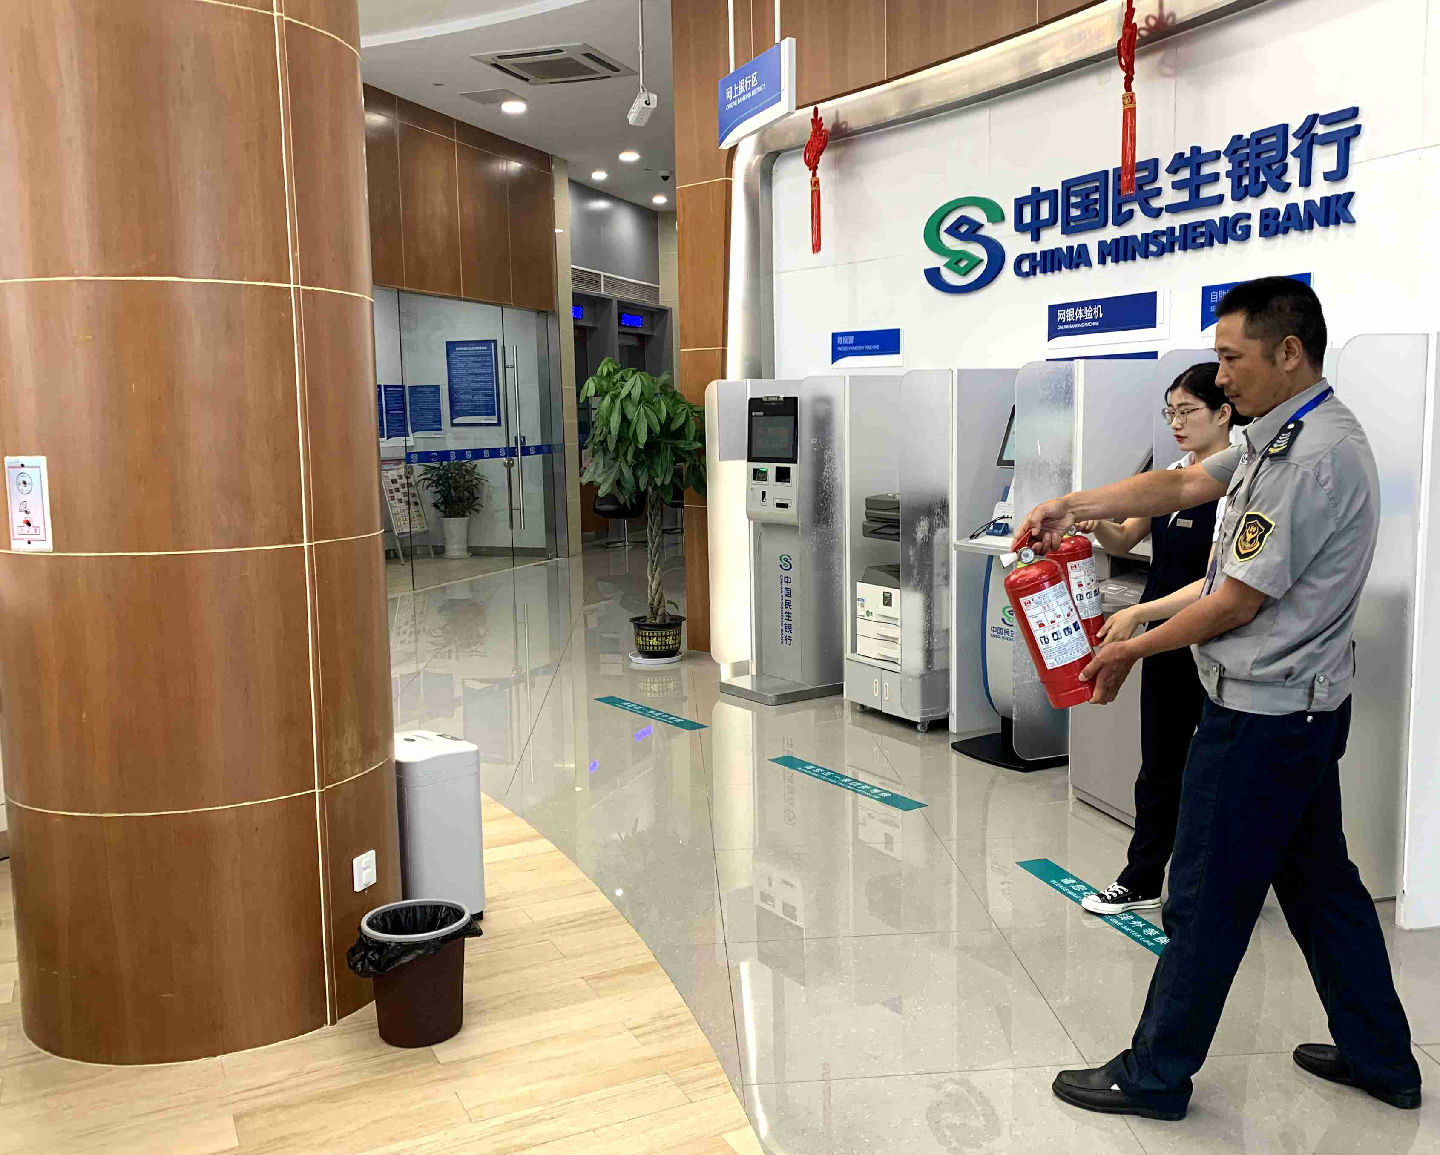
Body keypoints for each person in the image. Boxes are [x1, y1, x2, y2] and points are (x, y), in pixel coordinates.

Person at [1012, 277, 1422, 1120]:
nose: (1221, 377)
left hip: (1262, 720)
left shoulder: (1308, 459)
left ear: (1289, 352)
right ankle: (1382, 1057)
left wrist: (1129, 646)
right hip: (1301, 710)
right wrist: (1068, 505)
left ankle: (1156, 1074)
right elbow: (1179, 488)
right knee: (1321, 883)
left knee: (1202, 896)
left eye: (1232, 358)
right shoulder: (1286, 434)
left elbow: (1235, 601)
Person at [1075, 362, 1248, 916]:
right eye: (1169, 412)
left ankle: (1220, 885)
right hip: (1164, 644)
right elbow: (1124, 539)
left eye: (1187, 411)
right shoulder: (1172, 473)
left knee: (1218, 772)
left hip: (1216, 645)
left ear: (1223, 413)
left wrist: (1139, 613)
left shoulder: (1241, 481)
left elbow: (1218, 582)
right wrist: (1098, 523)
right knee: (1159, 765)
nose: (1175, 423)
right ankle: (1143, 876)